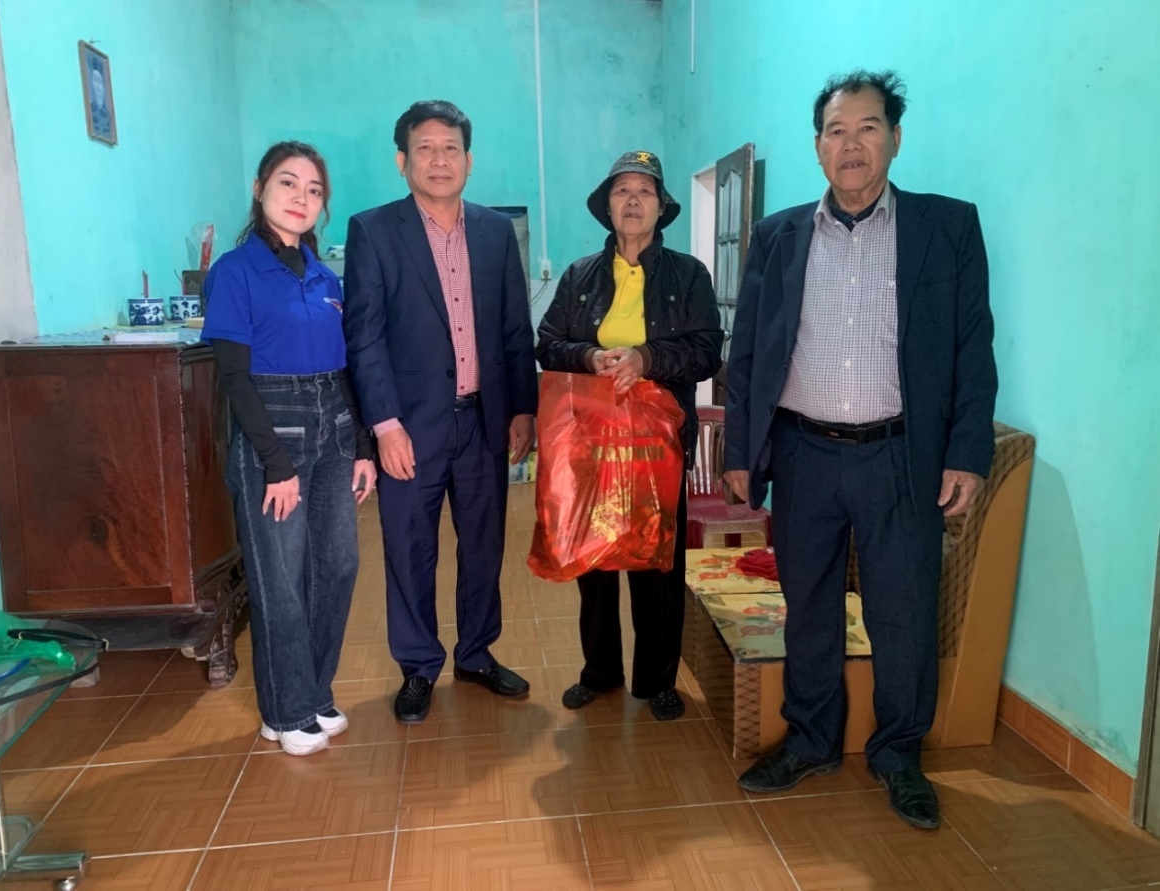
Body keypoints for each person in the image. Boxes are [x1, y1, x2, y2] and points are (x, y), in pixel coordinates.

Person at [723, 70, 997, 829]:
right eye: (836, 131)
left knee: (902, 611)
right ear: (817, 147)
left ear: (894, 139)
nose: (852, 145)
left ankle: (898, 753)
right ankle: (810, 740)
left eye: (867, 128)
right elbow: (748, 352)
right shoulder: (778, 236)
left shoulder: (946, 228)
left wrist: (967, 452)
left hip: (901, 457)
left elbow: (973, 349)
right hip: (803, 454)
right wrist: (741, 450)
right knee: (807, 606)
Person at [342, 100, 539, 724]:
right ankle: (419, 666)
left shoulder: (494, 232)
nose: (438, 160)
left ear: (469, 161)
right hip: (409, 427)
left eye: (450, 148)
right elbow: (364, 337)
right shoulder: (374, 230)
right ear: (402, 161)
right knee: (409, 550)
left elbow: (515, 328)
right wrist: (384, 426)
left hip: (483, 420)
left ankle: (476, 654)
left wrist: (523, 409)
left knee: (483, 546)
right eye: (424, 148)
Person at [202, 141, 377, 756]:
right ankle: (285, 710)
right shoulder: (236, 271)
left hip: (335, 429)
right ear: (259, 189)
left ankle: (313, 694)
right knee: (280, 580)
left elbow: (346, 370)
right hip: (272, 433)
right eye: (287, 183)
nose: (301, 197)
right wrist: (274, 465)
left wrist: (362, 446)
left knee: (338, 566)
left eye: (314, 189)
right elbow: (234, 377)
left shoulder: (326, 276)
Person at [535, 151, 723, 721]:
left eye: (645, 191)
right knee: (593, 559)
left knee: (656, 560)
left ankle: (657, 679)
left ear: (662, 207)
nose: (633, 200)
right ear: (608, 206)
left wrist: (647, 358)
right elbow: (548, 344)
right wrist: (589, 357)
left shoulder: (688, 274)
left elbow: (707, 351)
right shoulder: (579, 275)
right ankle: (600, 671)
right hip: (589, 444)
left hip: (657, 445)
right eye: (622, 191)